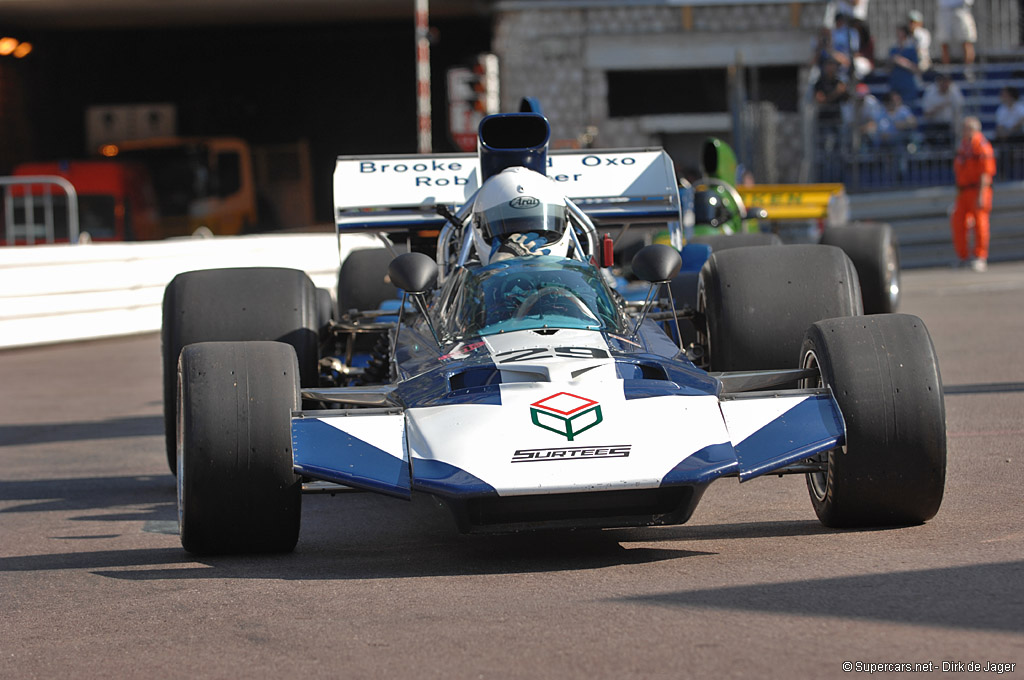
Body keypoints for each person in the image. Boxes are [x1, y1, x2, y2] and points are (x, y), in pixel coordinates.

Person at [470, 166, 572, 265]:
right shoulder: (466, 278)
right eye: (513, 229)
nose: (524, 241)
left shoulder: (582, 272)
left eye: (535, 228)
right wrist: (496, 270)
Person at [951, 116, 995, 271]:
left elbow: (985, 173)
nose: (963, 131)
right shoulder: (963, 146)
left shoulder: (982, 146)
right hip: (963, 191)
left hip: (977, 190)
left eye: (966, 128)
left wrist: (982, 194)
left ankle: (980, 256)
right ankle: (962, 257)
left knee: (980, 224)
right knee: (958, 222)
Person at [921, 73, 964, 145]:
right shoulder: (930, 91)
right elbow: (926, 113)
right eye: (943, 82)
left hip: (950, 125)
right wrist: (941, 106)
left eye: (947, 82)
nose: (945, 85)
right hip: (934, 123)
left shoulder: (954, 91)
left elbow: (959, 109)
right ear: (939, 82)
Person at [888, 24, 921, 106]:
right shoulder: (893, 50)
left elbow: (916, 69)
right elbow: (888, 69)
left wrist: (902, 62)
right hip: (895, 83)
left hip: (907, 85)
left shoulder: (911, 49)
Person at [936, 0, 976, 66]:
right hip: (944, 9)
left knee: (967, 41)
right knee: (944, 42)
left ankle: (968, 71)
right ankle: (946, 73)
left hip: (962, 9)